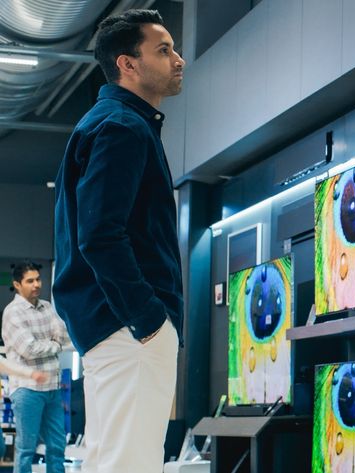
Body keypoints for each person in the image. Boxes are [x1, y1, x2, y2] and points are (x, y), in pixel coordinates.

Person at [52, 9, 185, 473]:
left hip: (114, 326)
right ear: (128, 64)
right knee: (129, 463)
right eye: (163, 50)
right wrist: (148, 318)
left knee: (114, 460)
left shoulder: (112, 122)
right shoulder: (122, 127)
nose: (179, 60)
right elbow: (100, 235)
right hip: (128, 327)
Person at [2, 261, 71, 473]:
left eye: (38, 279)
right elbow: (28, 349)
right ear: (17, 284)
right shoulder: (12, 313)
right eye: (30, 281)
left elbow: (65, 337)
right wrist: (54, 344)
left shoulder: (47, 307)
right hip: (27, 389)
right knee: (26, 448)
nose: (36, 284)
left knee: (57, 446)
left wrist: (54, 343)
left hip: (52, 387)